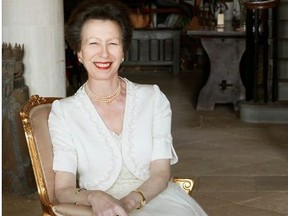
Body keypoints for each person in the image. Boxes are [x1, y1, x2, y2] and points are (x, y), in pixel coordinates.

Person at [48, 0, 208, 215]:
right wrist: (96, 197)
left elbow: (161, 173)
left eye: (113, 43)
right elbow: (64, 189)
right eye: (93, 43)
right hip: (98, 207)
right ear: (79, 53)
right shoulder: (64, 112)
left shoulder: (153, 98)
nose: (104, 54)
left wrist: (131, 202)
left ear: (123, 51)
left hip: (155, 198)